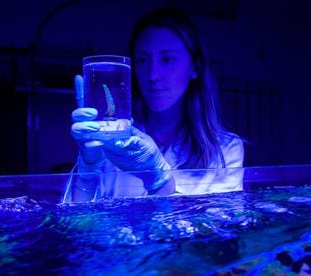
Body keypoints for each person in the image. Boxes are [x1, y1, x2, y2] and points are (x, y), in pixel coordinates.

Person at [64, 8, 244, 202]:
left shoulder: (225, 149)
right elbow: (76, 227)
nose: (152, 75)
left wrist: (159, 181)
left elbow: (216, 229)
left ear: (195, 67)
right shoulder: (113, 137)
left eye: (167, 59)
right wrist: (86, 175)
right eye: (142, 60)